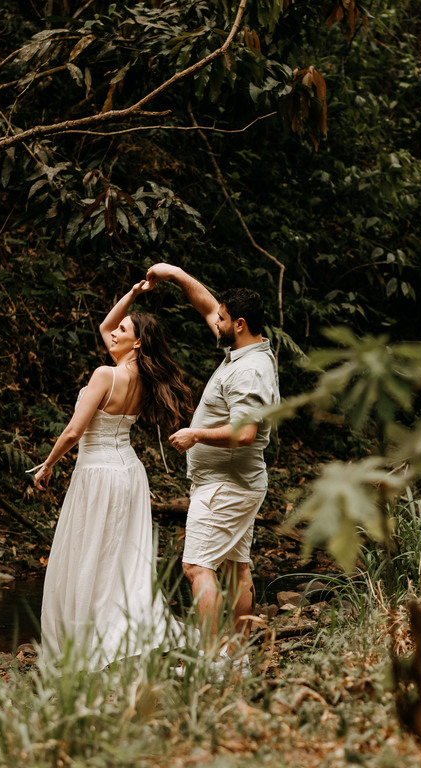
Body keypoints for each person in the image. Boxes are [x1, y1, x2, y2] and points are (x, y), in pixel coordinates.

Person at [30, 281, 194, 669]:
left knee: (89, 553)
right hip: (129, 473)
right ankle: (122, 629)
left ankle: (87, 637)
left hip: (97, 472)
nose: (114, 330)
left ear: (136, 343)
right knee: (120, 556)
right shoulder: (142, 377)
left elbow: (73, 431)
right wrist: (135, 294)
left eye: (125, 329)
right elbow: (106, 326)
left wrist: (48, 463)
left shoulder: (106, 374)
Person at [142, 263, 280, 673]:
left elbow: (245, 433)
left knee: (196, 566)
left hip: (227, 484)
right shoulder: (244, 349)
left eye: (221, 318)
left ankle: (211, 659)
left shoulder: (251, 370)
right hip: (236, 482)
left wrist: (196, 434)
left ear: (238, 324)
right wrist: (174, 274)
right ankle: (236, 658)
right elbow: (206, 304)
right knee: (238, 567)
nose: (212, 321)